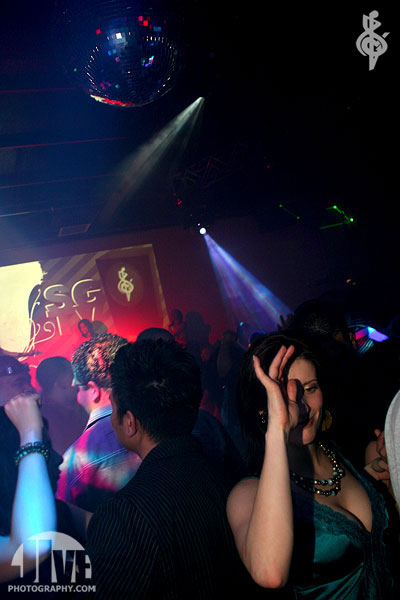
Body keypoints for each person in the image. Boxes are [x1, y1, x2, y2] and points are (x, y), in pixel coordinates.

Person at [85, 339, 258, 599]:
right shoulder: (237, 483)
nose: (111, 419)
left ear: (130, 422)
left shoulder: (122, 516)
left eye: (114, 410)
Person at [227, 333, 393, 598]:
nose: (301, 405)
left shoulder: (345, 454)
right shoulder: (246, 493)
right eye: (286, 393)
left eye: (311, 388)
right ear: (263, 410)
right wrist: (278, 428)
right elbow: (270, 573)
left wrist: (386, 483)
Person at [56, 334, 141, 512]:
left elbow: (65, 517)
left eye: (77, 388)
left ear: (93, 390)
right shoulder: (184, 419)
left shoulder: (75, 459)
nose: (76, 396)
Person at [0, 393, 56, 583]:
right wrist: (30, 433)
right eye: (44, 451)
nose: (59, 459)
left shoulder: (60, 511)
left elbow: (120, 529)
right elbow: (33, 547)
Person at [36, 356, 87, 455]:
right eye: (72, 375)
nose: (77, 381)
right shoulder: (49, 418)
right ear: (59, 383)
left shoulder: (75, 406)